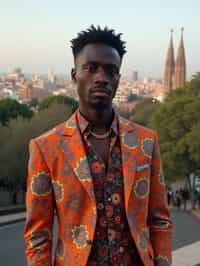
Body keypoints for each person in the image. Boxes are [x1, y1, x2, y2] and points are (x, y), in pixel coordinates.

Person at [24, 25, 172, 266]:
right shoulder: (46, 148)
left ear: (118, 79)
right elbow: (38, 236)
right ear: (74, 75)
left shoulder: (146, 142)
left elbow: (160, 221)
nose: (101, 78)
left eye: (110, 70)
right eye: (91, 68)